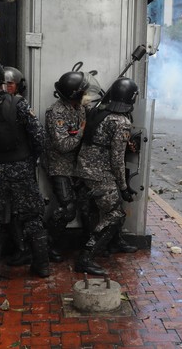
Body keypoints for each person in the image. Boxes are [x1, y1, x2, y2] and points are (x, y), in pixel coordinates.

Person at [0, 57, 49, 284]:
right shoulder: (18, 103)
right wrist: (29, 159)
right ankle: (41, 266)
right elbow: (39, 137)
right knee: (32, 216)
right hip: (22, 169)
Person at [74, 77, 139, 275]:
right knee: (115, 213)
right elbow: (117, 159)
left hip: (83, 168)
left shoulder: (98, 111)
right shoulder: (121, 122)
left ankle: (114, 242)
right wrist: (124, 187)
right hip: (99, 172)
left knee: (108, 206)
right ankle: (85, 258)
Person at [44, 71, 93, 262]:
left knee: (87, 205)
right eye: (83, 92)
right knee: (68, 208)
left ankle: (89, 245)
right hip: (60, 167)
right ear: (75, 94)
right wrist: (81, 132)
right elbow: (63, 145)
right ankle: (45, 244)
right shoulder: (56, 113)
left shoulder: (79, 108)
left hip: (78, 166)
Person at [0, 66, 34, 267]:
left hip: (21, 166)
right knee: (10, 210)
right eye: (3, 84)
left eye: (10, 84)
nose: (6, 88)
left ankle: (26, 250)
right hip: (4, 166)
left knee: (23, 211)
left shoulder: (21, 106)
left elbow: (35, 136)